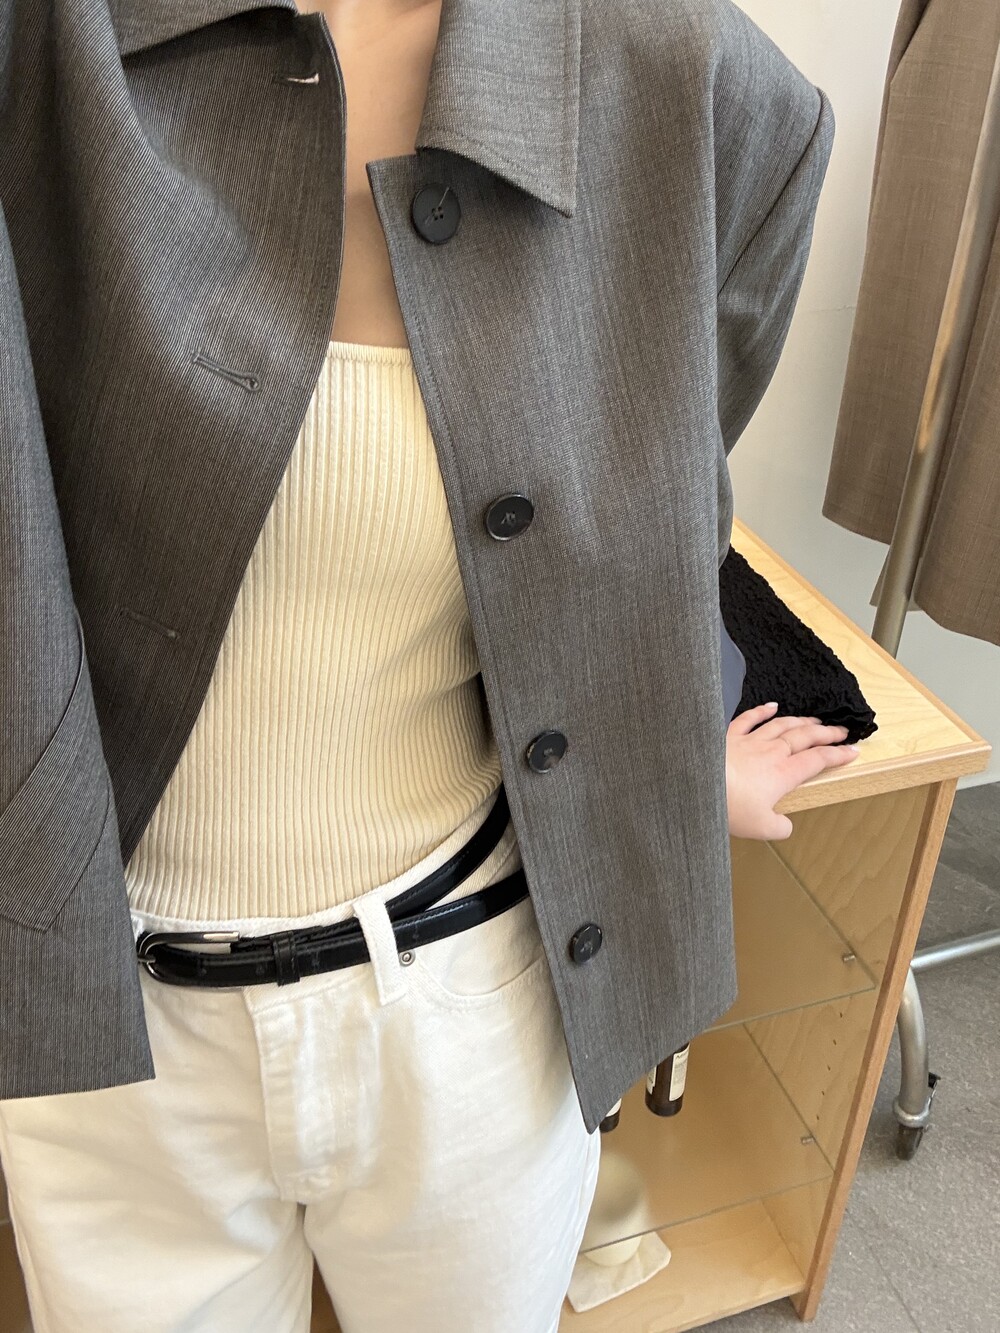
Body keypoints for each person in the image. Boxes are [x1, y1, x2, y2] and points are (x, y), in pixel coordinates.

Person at [0, 0, 854, 1329]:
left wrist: (669, 752)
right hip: (100, 1021)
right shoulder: (45, 52)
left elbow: (645, 522)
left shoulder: (692, 86)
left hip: (477, 1011)